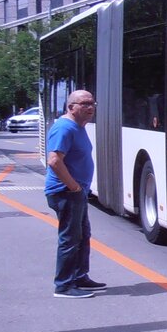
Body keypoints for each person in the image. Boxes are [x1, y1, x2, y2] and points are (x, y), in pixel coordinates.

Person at [44, 91, 106, 299]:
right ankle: (63, 285)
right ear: (71, 107)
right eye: (85, 104)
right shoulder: (64, 128)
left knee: (82, 235)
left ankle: (80, 277)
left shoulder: (78, 127)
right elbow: (54, 161)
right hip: (65, 192)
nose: (90, 107)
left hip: (75, 192)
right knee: (70, 238)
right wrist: (74, 187)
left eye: (92, 103)